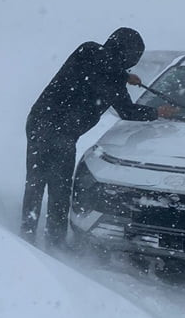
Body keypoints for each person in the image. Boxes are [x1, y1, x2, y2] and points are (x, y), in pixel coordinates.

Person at [22, 27, 176, 248]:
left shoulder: (88, 51)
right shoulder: (107, 72)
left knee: (36, 182)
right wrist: (157, 112)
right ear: (125, 53)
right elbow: (127, 111)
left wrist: (125, 76)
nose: (131, 63)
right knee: (58, 189)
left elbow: (103, 66)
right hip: (59, 131)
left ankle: (27, 235)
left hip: (40, 121)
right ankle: (52, 244)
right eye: (132, 58)